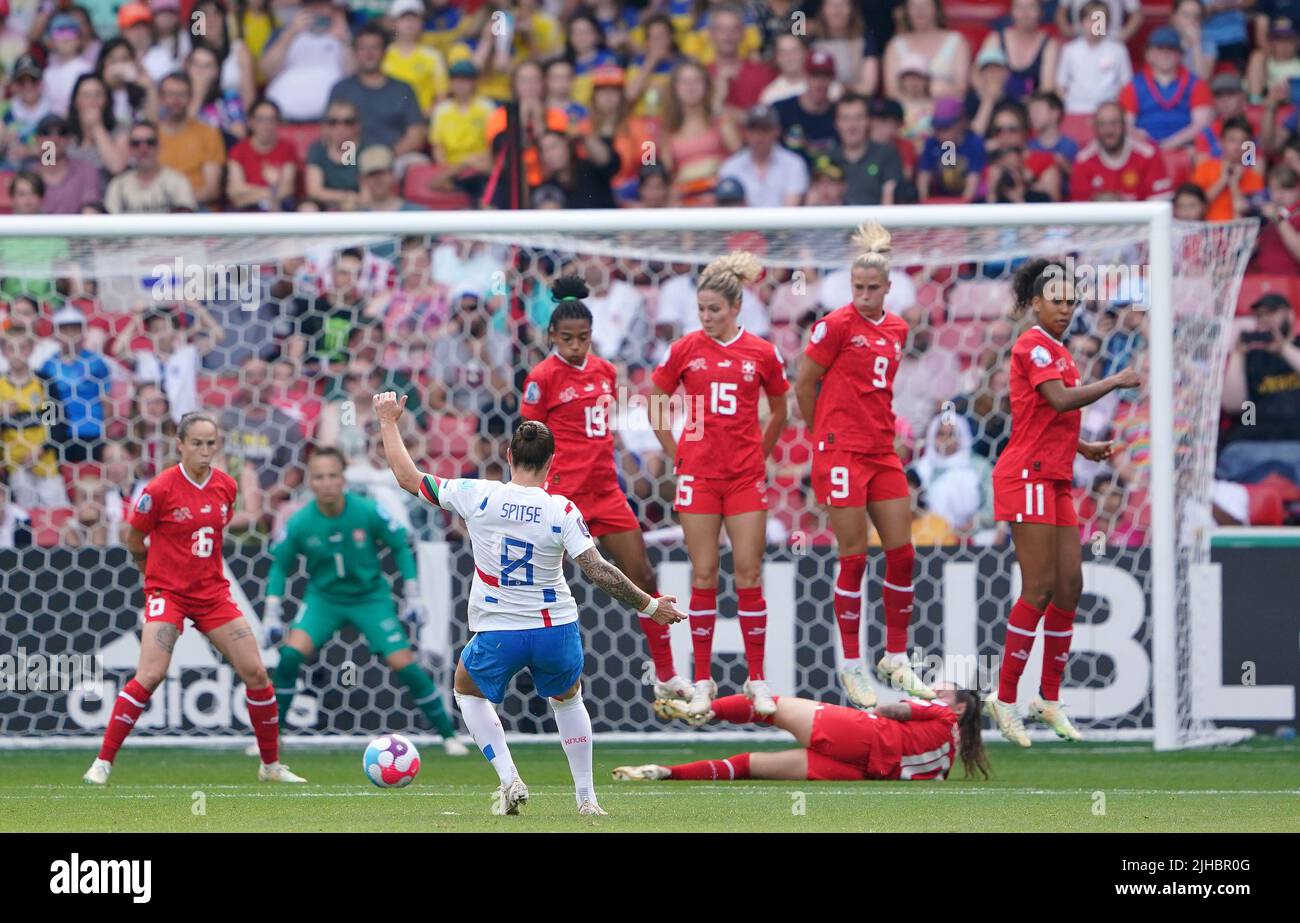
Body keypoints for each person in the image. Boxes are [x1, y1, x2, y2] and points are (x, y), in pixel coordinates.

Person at [374, 393, 685, 816]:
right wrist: (650, 606)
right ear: (551, 462)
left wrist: (389, 421)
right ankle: (587, 800)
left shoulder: (476, 494)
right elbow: (599, 570)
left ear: (508, 455)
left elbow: (408, 478)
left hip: (500, 630)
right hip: (555, 628)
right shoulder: (561, 509)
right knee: (569, 700)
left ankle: (509, 778)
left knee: (466, 691)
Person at [82, 411, 305, 785]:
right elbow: (135, 540)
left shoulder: (226, 486)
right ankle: (103, 761)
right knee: (151, 674)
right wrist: (151, 578)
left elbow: (215, 533)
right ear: (180, 445)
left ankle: (270, 767)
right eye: (197, 444)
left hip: (213, 596)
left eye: (211, 444)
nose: (205, 451)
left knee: (256, 672)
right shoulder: (159, 490)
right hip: (168, 595)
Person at [985, 259, 1141, 748]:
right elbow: (1057, 401)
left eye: (1072, 301)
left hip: (1054, 476)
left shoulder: (1059, 351)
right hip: (1025, 475)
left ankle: (1047, 697)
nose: (1066, 309)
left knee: (1070, 587)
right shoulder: (1032, 344)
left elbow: (1042, 416)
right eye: (1057, 300)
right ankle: (1004, 698)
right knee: (1040, 587)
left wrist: (1081, 448)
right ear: (1036, 302)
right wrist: (1114, 381)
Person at [520, 275, 691, 705]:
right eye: (567, 338)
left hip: (606, 492)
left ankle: (667, 678)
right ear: (552, 337)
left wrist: (624, 458)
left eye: (583, 337)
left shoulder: (606, 371)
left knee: (643, 576)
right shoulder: (542, 378)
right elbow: (528, 436)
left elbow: (604, 430)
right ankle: (527, 682)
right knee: (539, 589)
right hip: (561, 498)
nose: (576, 345)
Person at [794, 222, 933, 709]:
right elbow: (803, 382)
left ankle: (896, 656)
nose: (866, 295)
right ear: (849, 286)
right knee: (854, 556)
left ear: (889, 289)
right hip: (841, 452)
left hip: (881, 450)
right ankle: (852, 664)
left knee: (903, 553)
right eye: (859, 287)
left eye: (874, 288)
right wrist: (821, 438)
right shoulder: (835, 325)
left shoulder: (897, 329)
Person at [649, 251, 790, 718]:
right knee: (704, 575)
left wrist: (760, 453)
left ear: (736, 308)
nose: (706, 317)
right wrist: (678, 454)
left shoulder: (762, 352)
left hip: (745, 478)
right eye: (701, 309)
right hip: (700, 478)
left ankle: (758, 678)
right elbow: (656, 402)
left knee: (748, 574)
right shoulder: (685, 349)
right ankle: (704, 680)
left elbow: (781, 409)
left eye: (715, 309)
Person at [262, 446, 467, 756]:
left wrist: (412, 594)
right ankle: (271, 739)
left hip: (370, 598)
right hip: (324, 600)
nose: (327, 482)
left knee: (404, 664)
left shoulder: (366, 510)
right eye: (319, 477)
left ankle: (448, 736)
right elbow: (279, 564)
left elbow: (399, 542)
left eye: (333, 475)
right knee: (290, 656)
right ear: (310, 482)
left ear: (343, 478)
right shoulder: (301, 521)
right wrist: (272, 611)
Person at [614, 686, 987, 782]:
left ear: (958, 709)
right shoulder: (944, 763)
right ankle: (667, 772)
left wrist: (872, 712)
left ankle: (704, 711)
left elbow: (899, 710)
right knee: (748, 766)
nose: (937, 693)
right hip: (866, 771)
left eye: (945, 693)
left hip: (865, 734)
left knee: (769, 705)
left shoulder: (942, 714)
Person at [1218, 293, 1300, 485]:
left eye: (1272, 313)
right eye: (1260, 316)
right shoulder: (1250, 358)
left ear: (1290, 316)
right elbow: (1234, 405)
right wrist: (1238, 355)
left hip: (1295, 438)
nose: (1265, 320)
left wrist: (1284, 349)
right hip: (1252, 440)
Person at [1118, 26, 1213, 150]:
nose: (1165, 54)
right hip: (1143, 148)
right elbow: (1126, 124)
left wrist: (1169, 144)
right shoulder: (1132, 86)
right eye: (1159, 49)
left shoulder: (1197, 84)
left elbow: (1201, 124)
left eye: (1171, 49)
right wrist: (1140, 138)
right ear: (1148, 54)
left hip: (1185, 148)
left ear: (1180, 55)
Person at [1070, 101, 1172, 201]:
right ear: (1095, 128)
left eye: (1114, 123)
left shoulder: (1148, 155)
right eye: (1102, 124)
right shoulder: (1083, 160)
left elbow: (1161, 205)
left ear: (1124, 125)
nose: (1108, 130)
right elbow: (1079, 210)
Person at [1056, 1, 1133, 116]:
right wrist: (1069, 103)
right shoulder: (1069, 50)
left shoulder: (1118, 50)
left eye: (1100, 19)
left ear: (1107, 23)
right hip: (1074, 109)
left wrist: (1114, 107)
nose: (1095, 24)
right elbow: (1060, 85)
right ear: (1082, 22)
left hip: (1109, 112)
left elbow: (1126, 84)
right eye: (1091, 19)